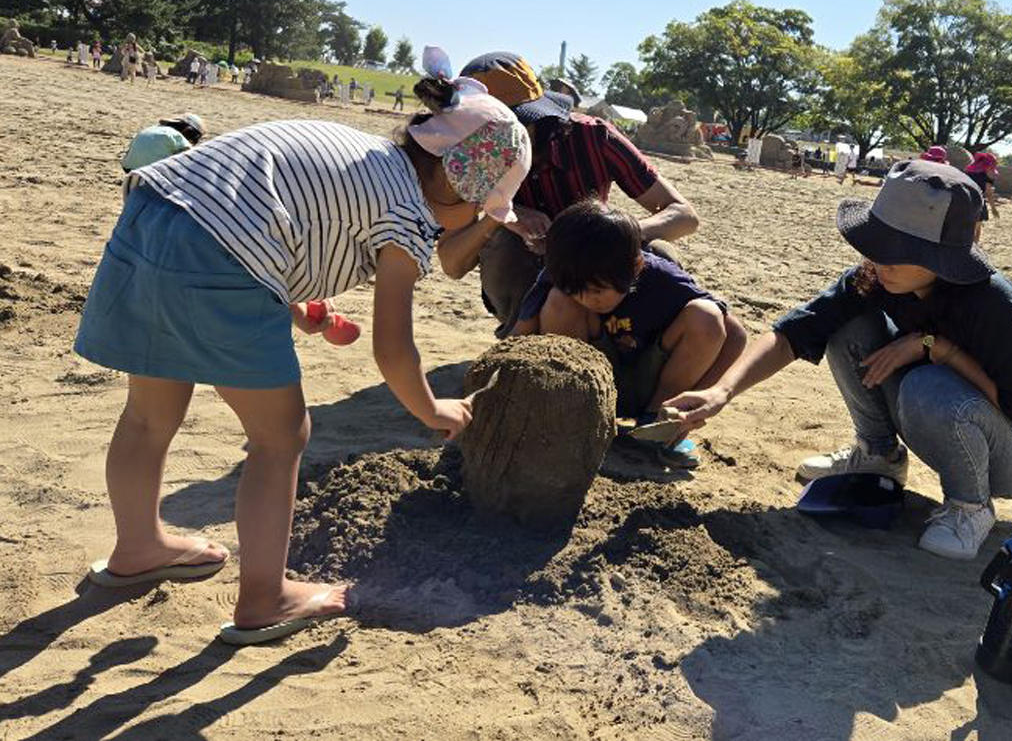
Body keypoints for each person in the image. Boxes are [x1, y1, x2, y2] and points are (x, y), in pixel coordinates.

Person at [74, 55, 531, 644]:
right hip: (219, 258)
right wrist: (432, 410)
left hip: (150, 221)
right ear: (456, 182)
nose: (468, 222)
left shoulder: (356, 151)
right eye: (479, 208)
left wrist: (296, 310)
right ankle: (265, 597)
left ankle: (137, 546)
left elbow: (256, 216)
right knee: (281, 435)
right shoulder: (409, 213)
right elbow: (394, 349)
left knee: (148, 414)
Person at [666, 160, 1012, 560]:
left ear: (942, 258)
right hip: (938, 415)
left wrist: (937, 348)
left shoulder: (993, 305)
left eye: (899, 251)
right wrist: (721, 392)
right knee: (847, 328)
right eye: (877, 244)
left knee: (929, 386)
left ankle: (969, 508)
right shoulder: (878, 278)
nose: (881, 259)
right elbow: (795, 333)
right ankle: (878, 457)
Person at [452, 51, 699, 337]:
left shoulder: (594, 138)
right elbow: (454, 264)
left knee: (662, 252)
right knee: (502, 243)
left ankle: (634, 345)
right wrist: (505, 214)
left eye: (502, 129)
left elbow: (685, 216)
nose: (492, 143)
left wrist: (606, 236)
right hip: (531, 276)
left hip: (599, 273)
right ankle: (521, 335)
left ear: (536, 119)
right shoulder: (472, 157)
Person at [514, 199, 747, 468]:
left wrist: (697, 403)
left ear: (636, 267)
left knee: (707, 316)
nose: (586, 299)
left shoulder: (662, 278)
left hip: (655, 386)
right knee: (558, 301)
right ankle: (574, 415)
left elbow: (735, 335)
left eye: (597, 290)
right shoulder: (566, 274)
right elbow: (520, 337)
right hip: (591, 381)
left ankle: (659, 426)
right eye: (576, 289)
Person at [964, 151, 1001, 241]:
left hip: (965, 201)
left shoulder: (968, 172)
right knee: (977, 228)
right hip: (978, 202)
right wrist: (993, 208)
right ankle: (974, 246)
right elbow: (988, 193)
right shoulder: (987, 176)